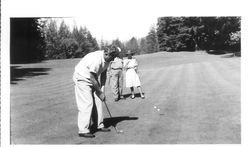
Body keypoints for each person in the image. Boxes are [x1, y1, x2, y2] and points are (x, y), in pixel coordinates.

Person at [73, 45, 120, 138]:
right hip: (82, 77)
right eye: (112, 57)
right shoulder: (96, 60)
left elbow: (103, 75)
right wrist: (99, 92)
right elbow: (92, 78)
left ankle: (99, 125)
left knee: (98, 101)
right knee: (87, 103)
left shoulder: (108, 59)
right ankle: (83, 130)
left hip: (92, 78)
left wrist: (102, 90)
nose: (113, 59)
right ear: (107, 54)